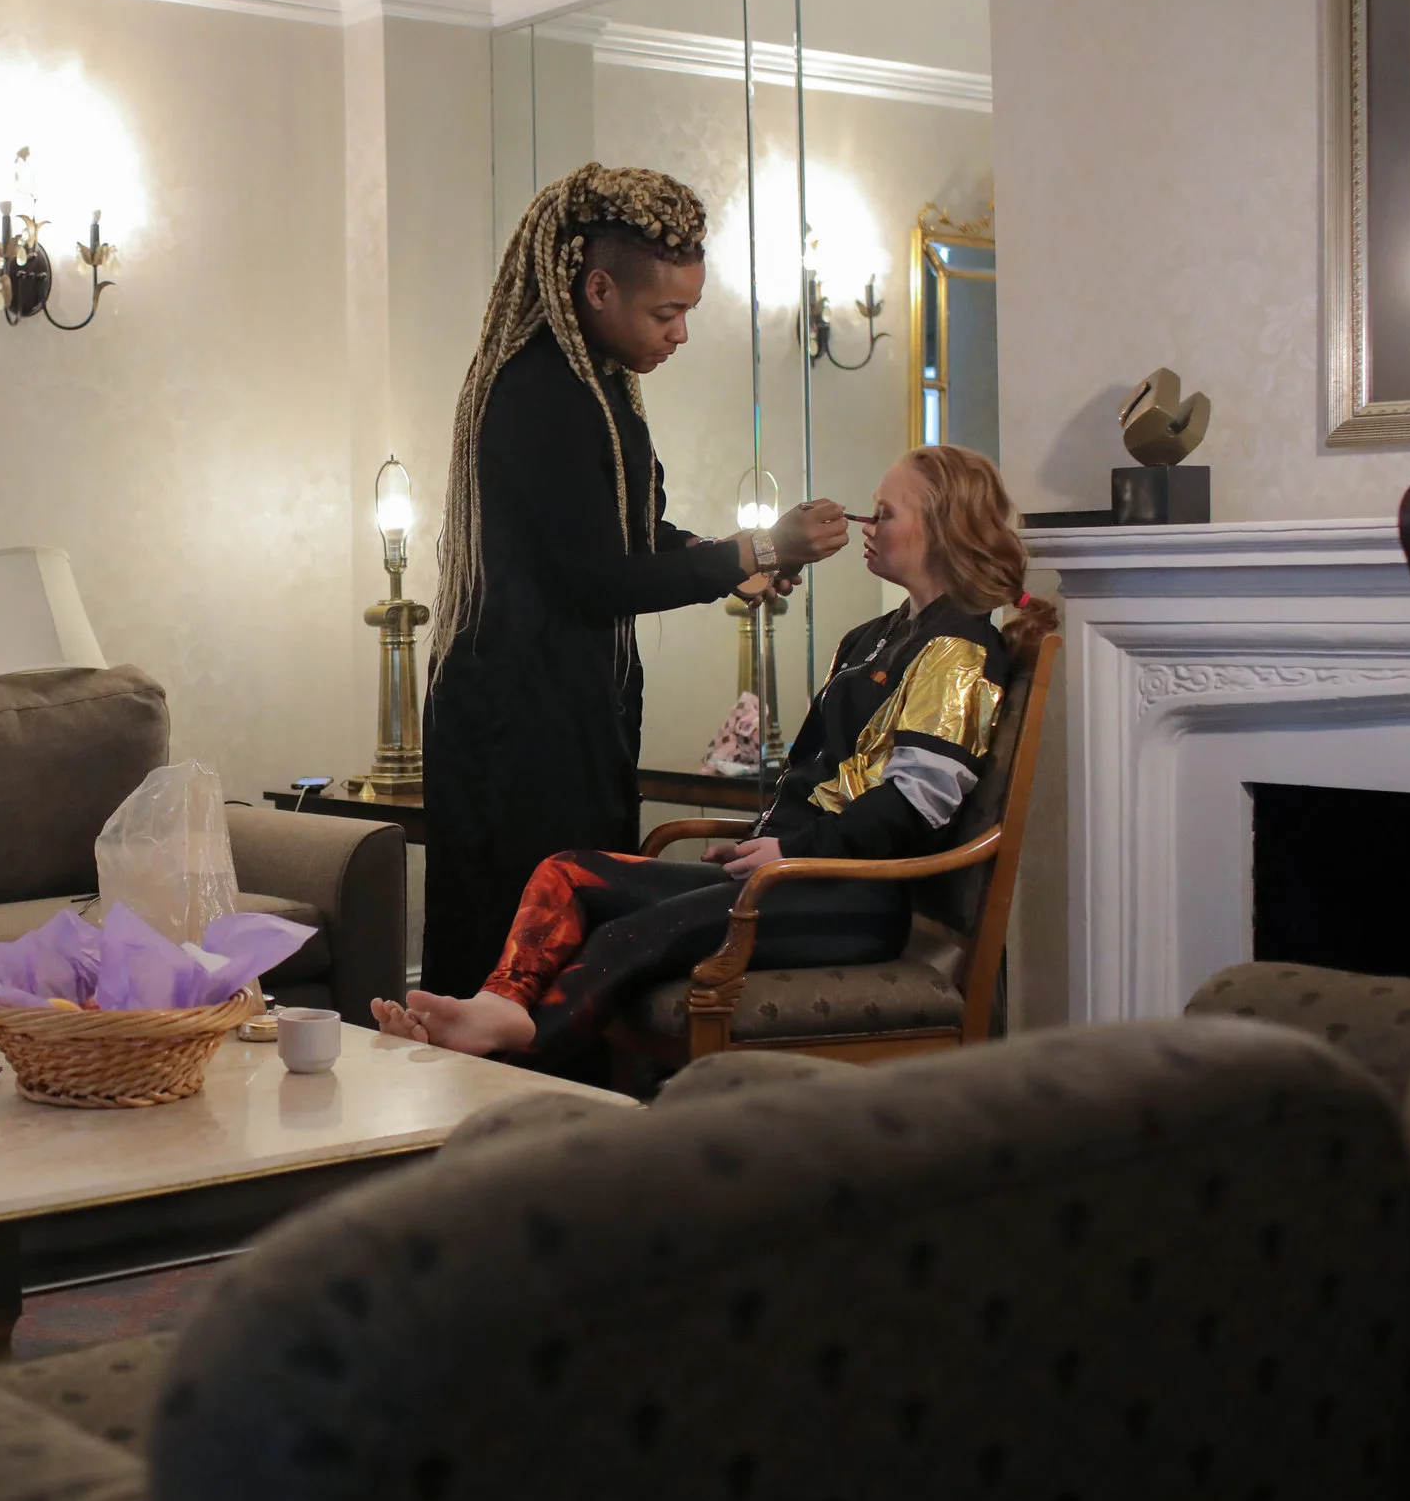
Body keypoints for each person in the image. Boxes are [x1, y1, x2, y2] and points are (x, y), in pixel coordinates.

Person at [377, 444, 1057, 1078]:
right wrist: (763, 844)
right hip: (792, 878)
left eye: (885, 513)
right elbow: (814, 777)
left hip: (850, 896)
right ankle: (499, 1003)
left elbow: (915, 806)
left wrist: (789, 848)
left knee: (631, 934)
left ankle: (514, 1035)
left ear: (940, 527)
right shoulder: (869, 638)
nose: (864, 524)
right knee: (568, 872)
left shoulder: (961, 649)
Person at [418, 163, 849, 998]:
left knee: (567, 946)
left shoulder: (601, 390)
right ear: (598, 288)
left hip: (566, 709)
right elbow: (596, 579)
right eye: (668, 311)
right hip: (515, 724)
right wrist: (751, 553)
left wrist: (748, 557)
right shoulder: (543, 392)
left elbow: (634, 536)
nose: (680, 333)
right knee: (515, 948)